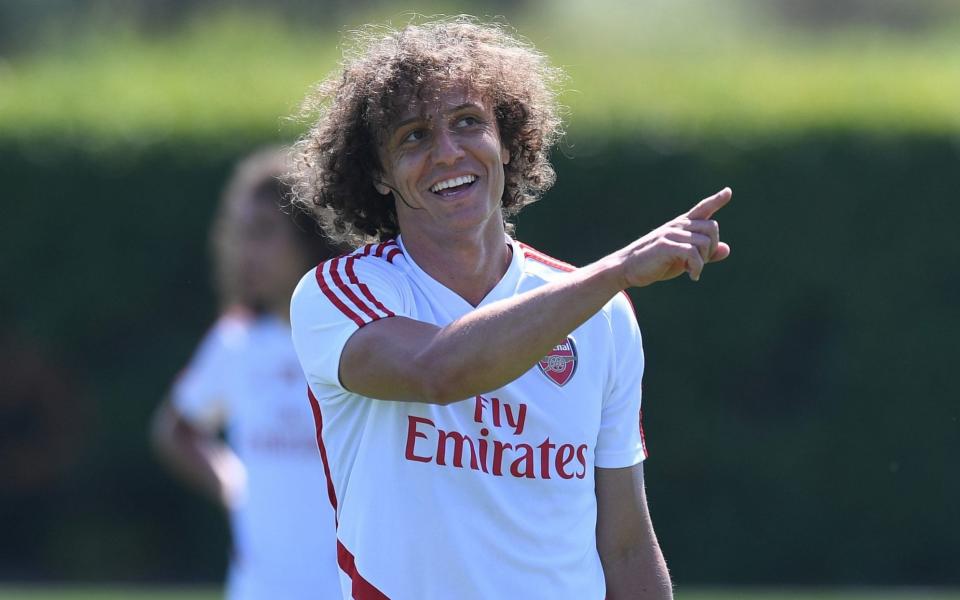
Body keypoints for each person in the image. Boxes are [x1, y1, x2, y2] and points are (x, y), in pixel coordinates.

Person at [289, 17, 730, 600]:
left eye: (468, 122)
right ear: (377, 173)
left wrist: (607, 284)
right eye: (413, 137)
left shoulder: (603, 314)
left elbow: (624, 544)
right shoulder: (341, 293)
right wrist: (617, 269)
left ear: (509, 138)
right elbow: (439, 371)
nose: (448, 153)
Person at [151, 148, 342, 600]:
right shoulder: (235, 340)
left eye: (263, 232)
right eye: (240, 234)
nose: (246, 252)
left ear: (310, 235)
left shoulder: (358, 334)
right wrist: (233, 483)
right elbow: (176, 430)